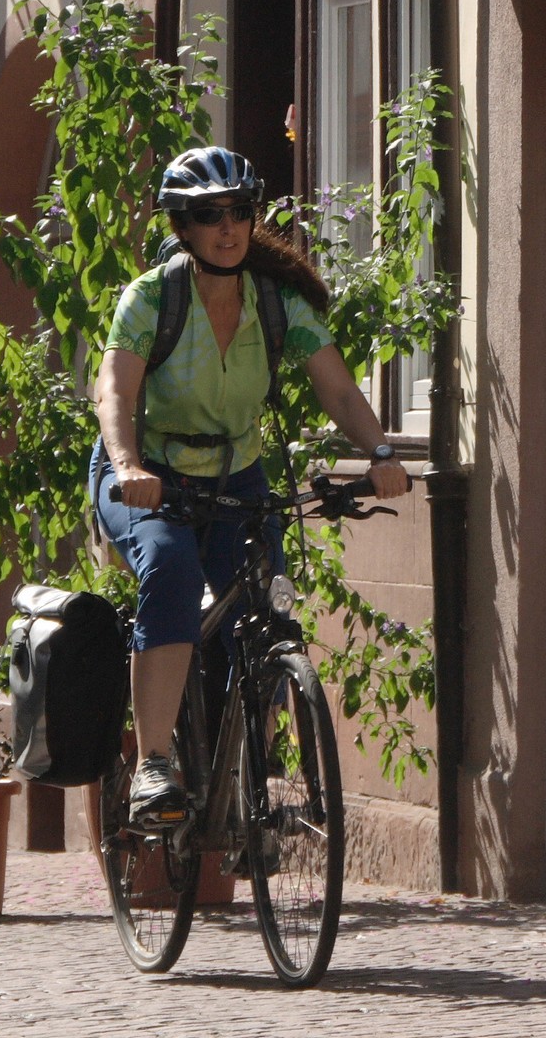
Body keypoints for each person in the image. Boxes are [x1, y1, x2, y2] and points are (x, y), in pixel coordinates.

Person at [89, 145, 410, 825]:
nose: (228, 227)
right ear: (183, 227)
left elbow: (339, 389)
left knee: (267, 607)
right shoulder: (152, 298)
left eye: (239, 211)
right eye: (209, 215)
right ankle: (152, 766)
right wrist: (127, 467)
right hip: (149, 474)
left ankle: (247, 779)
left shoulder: (277, 301)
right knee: (171, 571)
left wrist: (380, 451)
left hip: (236, 472)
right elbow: (114, 391)